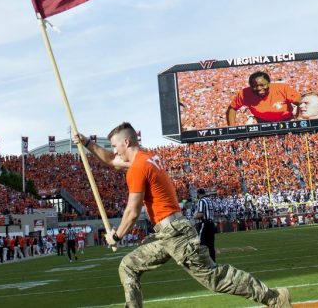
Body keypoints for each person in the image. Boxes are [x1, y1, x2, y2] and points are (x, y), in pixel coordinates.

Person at [77, 125, 291, 307]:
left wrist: (116, 236)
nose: (114, 150)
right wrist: (86, 143)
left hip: (175, 233)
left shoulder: (138, 168)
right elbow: (111, 162)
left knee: (214, 278)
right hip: (169, 232)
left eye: (115, 146)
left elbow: (132, 212)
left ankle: (274, 298)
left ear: (126, 142)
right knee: (128, 265)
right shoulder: (146, 159)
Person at [226, 72, 302, 126]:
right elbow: (232, 108)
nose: (259, 88)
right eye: (254, 86)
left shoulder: (282, 88)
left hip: (286, 120)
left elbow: (301, 102)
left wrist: (298, 118)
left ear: (269, 83)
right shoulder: (244, 93)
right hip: (262, 122)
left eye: (262, 85)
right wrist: (232, 128)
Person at [193, 188, 217, 262]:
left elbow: (201, 214)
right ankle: (213, 262)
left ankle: (202, 261)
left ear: (199, 194)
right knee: (211, 244)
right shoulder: (210, 200)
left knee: (200, 242)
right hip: (211, 223)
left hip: (205, 223)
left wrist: (194, 216)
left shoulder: (201, 201)